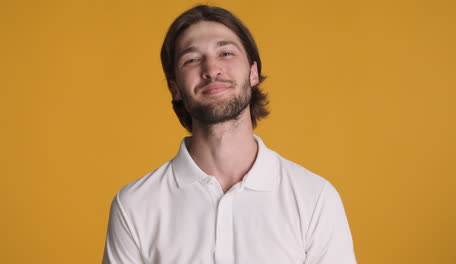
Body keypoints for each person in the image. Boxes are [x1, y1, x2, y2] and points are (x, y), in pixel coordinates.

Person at [103, 5, 356, 264]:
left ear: (253, 73)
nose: (212, 70)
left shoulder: (314, 198)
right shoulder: (134, 205)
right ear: (175, 87)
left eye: (226, 53)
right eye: (191, 59)